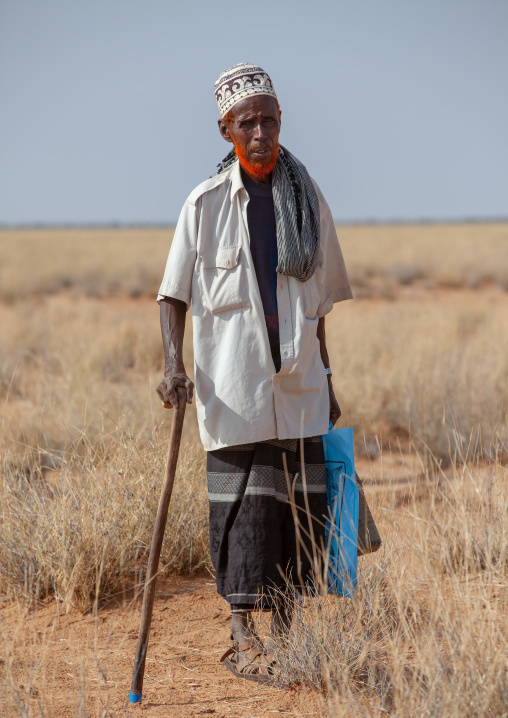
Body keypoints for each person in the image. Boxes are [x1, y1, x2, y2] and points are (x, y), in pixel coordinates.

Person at [156, 63, 352, 682]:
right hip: (232, 385)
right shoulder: (205, 204)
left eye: (270, 118)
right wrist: (170, 365)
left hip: (297, 383)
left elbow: (317, 303)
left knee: (297, 510)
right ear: (226, 130)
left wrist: (328, 376)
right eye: (249, 121)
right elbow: (172, 294)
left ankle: (288, 635)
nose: (262, 131)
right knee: (241, 510)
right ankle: (242, 637)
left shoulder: (308, 197)